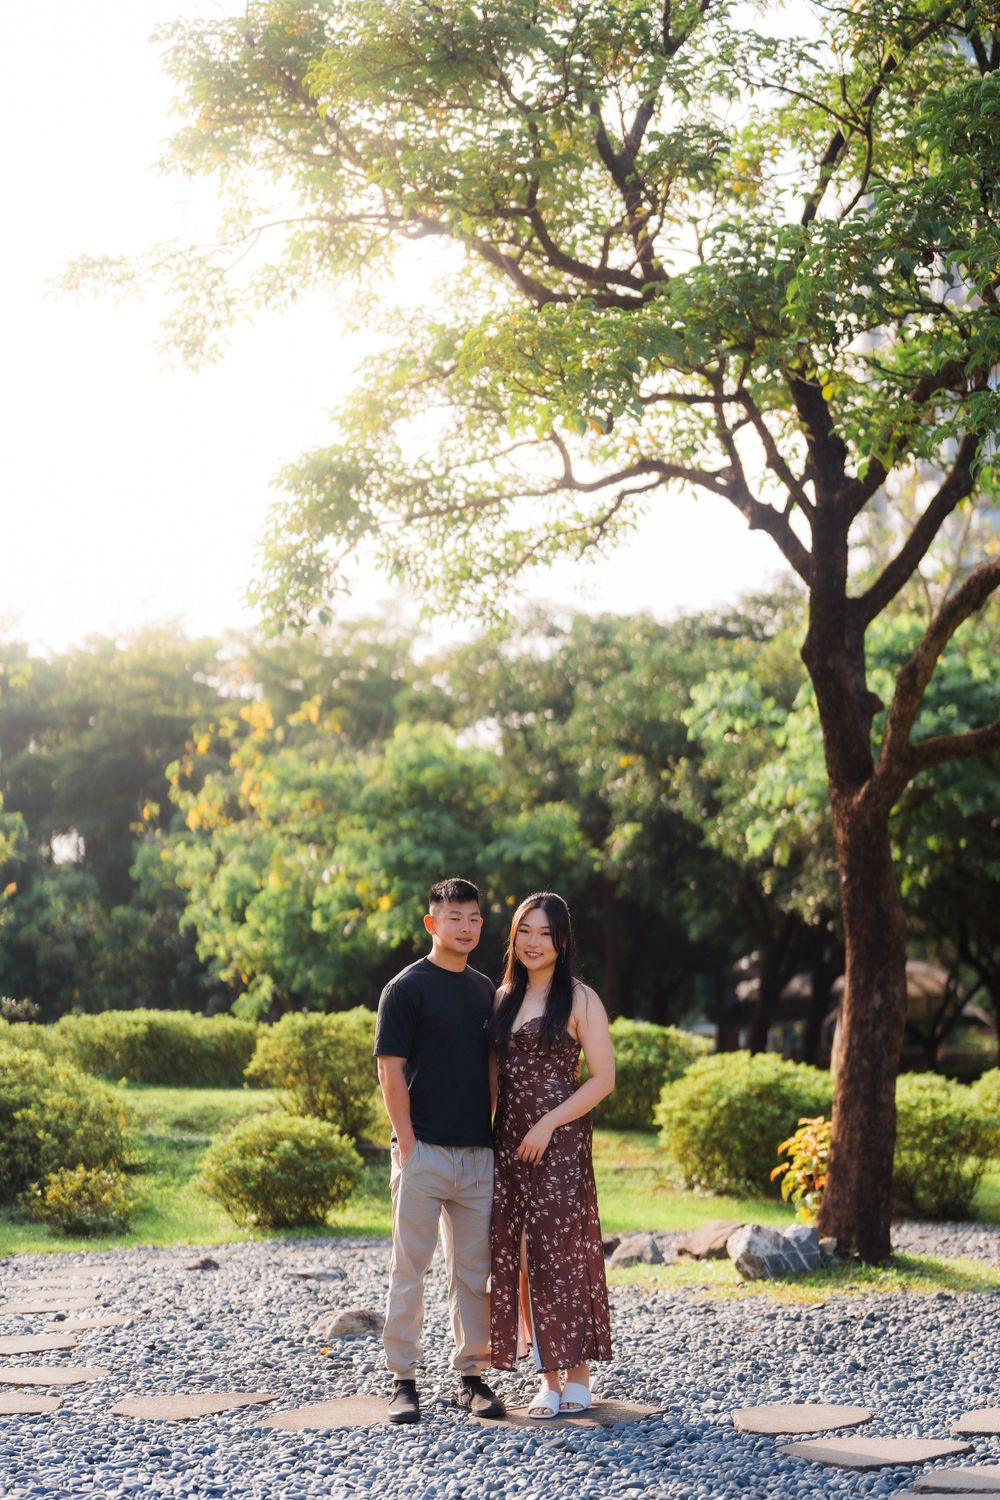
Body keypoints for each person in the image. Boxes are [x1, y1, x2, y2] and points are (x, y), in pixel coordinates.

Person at [374, 877, 506, 1425]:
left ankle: (472, 1377)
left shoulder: (485, 990)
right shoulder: (405, 989)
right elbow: (390, 1070)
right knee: (410, 1269)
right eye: (455, 918)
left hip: (477, 1155)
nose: (466, 927)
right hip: (423, 1152)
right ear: (432, 923)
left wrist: (489, 1129)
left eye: (474, 919)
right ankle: (403, 1380)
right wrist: (408, 1145)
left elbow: (492, 1068)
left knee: (474, 1274)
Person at [489, 891, 615, 1419]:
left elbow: (603, 1080)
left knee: (560, 1250)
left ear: (562, 941)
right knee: (519, 1255)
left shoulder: (581, 999)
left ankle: (578, 1373)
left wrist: (547, 1123)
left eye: (544, 933)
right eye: (525, 931)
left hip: (560, 1140)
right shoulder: (501, 998)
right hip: (508, 1141)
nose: (533, 942)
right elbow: (494, 1077)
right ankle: (547, 1379)